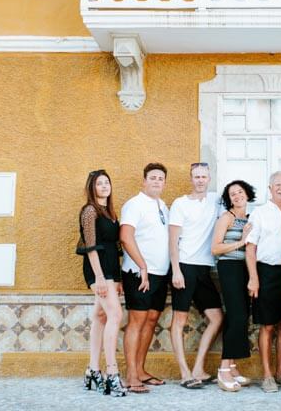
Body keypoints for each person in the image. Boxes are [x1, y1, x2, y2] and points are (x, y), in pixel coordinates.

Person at [245, 171, 281, 393]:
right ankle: (267, 375)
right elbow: (251, 249)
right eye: (277, 185)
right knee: (267, 325)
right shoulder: (259, 213)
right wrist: (253, 278)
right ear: (270, 188)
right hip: (266, 272)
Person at [168, 162, 224, 389]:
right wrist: (176, 270)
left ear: (209, 179)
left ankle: (198, 368)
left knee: (217, 317)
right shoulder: (180, 204)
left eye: (204, 176)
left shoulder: (216, 200)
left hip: (204, 268)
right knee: (179, 320)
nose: (200, 180)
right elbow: (172, 241)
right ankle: (184, 373)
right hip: (184, 265)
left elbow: (238, 207)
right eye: (196, 176)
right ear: (191, 179)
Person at [120, 163, 171, 392]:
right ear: (144, 181)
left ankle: (140, 369)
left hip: (160, 273)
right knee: (137, 322)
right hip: (139, 273)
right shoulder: (134, 204)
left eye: (160, 178)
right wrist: (142, 266)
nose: (157, 181)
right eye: (152, 178)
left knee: (151, 320)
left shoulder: (163, 206)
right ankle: (130, 375)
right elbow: (126, 237)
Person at [77, 170, 126, 396]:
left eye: (107, 182)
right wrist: (99, 278)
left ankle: (92, 370)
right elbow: (91, 247)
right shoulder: (89, 211)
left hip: (110, 271)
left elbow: (114, 248)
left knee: (101, 316)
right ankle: (112, 374)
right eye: (99, 183)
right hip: (97, 270)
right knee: (115, 315)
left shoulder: (109, 212)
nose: (105, 186)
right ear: (92, 187)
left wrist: (116, 279)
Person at [211, 180, 257, 392]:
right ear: (228, 199)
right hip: (229, 268)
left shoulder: (249, 218)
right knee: (237, 316)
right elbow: (215, 248)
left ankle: (232, 367)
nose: (237, 196)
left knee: (238, 316)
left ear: (247, 194)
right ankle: (223, 370)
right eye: (232, 194)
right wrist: (241, 241)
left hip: (244, 269)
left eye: (240, 192)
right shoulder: (226, 217)